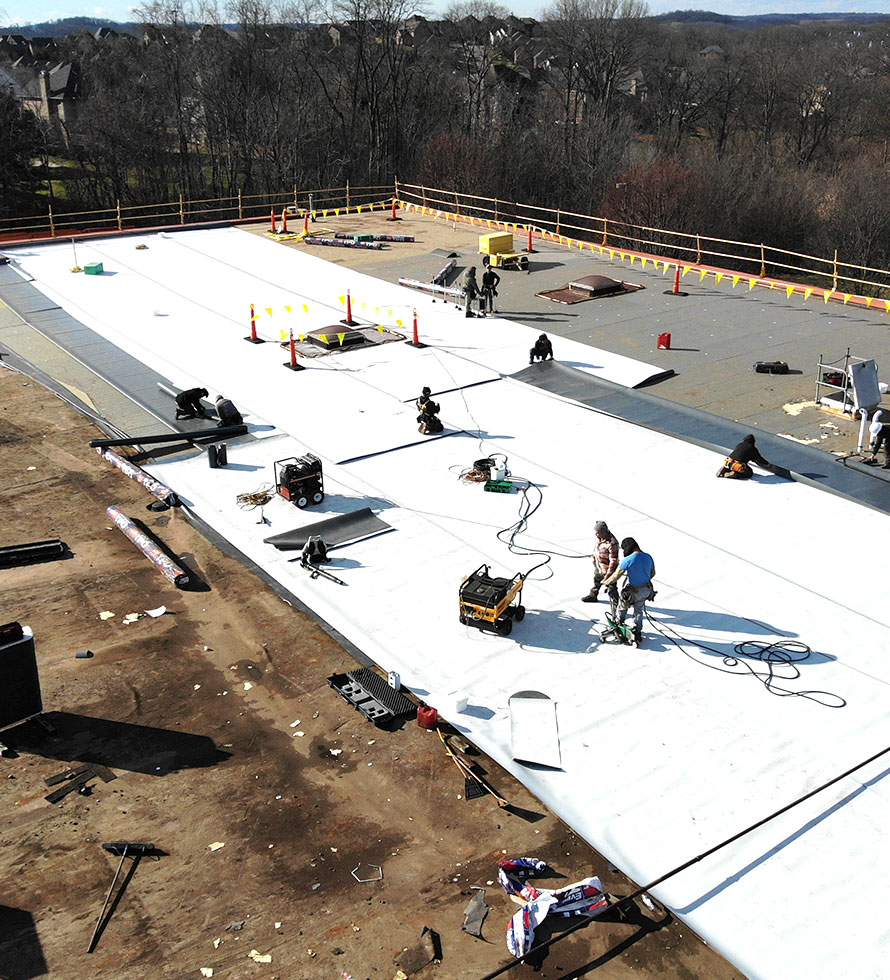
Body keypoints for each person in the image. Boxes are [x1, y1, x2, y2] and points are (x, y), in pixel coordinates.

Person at [603, 537, 655, 647]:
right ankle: (637, 629)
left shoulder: (628, 560)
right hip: (646, 590)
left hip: (633, 591)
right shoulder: (648, 557)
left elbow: (616, 575)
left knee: (623, 605)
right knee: (638, 610)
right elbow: (653, 573)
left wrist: (606, 582)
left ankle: (619, 623)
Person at [581, 521, 619, 612]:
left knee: (612, 588)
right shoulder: (601, 538)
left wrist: (609, 575)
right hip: (599, 567)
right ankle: (593, 595)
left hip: (608, 571)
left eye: (597, 532)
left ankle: (615, 605)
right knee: (596, 581)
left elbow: (614, 561)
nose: (595, 534)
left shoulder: (612, 543)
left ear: (603, 532)